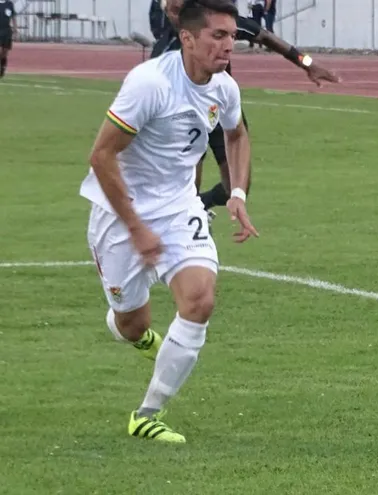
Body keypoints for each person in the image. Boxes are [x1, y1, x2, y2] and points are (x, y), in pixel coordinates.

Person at [81, 0, 260, 443]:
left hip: (180, 207)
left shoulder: (225, 87)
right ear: (187, 38)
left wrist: (237, 193)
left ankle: (147, 413)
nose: (228, 45)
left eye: (232, 35)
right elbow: (101, 156)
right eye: (217, 36)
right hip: (120, 212)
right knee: (131, 324)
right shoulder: (150, 84)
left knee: (199, 301)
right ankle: (137, 335)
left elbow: (236, 134)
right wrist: (137, 227)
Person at [154, 0, 339, 217]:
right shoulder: (163, 52)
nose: (176, 15)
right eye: (172, 10)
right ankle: (188, 222)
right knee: (186, 190)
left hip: (221, 112)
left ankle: (201, 205)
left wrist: (306, 63)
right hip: (185, 120)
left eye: (180, 8)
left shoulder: (215, 24)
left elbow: (266, 37)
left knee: (238, 187)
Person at [0, 0, 17, 78]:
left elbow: (13, 17)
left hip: (7, 31)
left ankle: (3, 67)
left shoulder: (9, 4)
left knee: (5, 52)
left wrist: (15, 29)